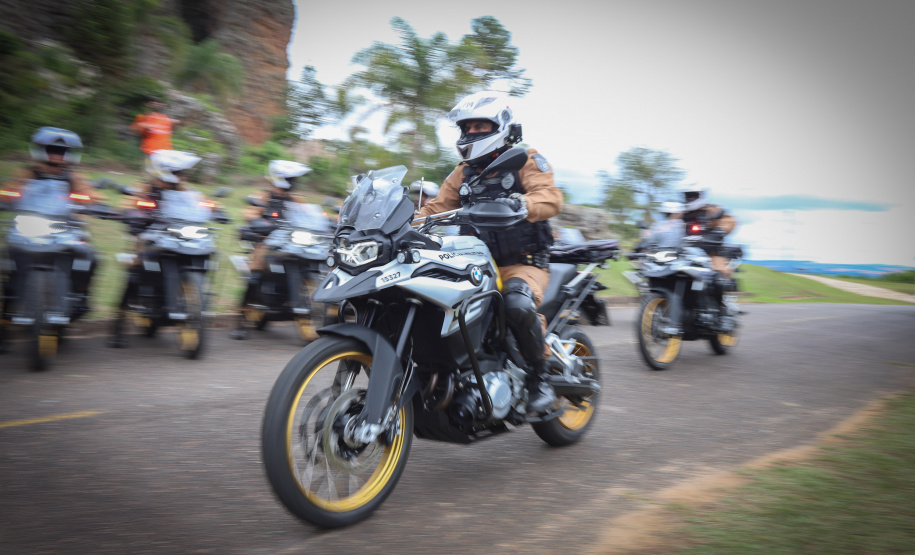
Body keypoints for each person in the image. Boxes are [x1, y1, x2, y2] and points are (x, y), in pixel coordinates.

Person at [419, 91, 562, 413]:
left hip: (522, 263)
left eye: (481, 126)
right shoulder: (463, 172)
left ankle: (540, 376)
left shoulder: (527, 160)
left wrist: (523, 203)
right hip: (476, 263)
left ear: (502, 127)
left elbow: (551, 198)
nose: (472, 133)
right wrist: (396, 223)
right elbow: (435, 208)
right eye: (467, 127)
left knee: (515, 303)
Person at [108, 149, 214, 347]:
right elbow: (128, 205)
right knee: (135, 270)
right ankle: (118, 325)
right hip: (153, 238)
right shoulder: (146, 188)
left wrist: (215, 209)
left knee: (208, 255)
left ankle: (195, 302)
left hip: (183, 239)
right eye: (177, 172)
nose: (181, 177)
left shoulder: (189, 193)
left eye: (183, 173)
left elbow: (204, 206)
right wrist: (132, 212)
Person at [1, 127, 104, 328]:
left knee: (90, 256)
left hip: (64, 228)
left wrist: (94, 202)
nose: (57, 155)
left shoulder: (73, 177)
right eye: (52, 149)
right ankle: (5, 316)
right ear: (42, 150)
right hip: (28, 226)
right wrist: (7, 197)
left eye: (61, 151)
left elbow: (92, 196)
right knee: (9, 262)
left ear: (69, 154)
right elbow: (9, 191)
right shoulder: (27, 173)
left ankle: (81, 296)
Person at [230, 160, 311, 340]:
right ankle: (241, 321)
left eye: (294, 178)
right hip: (267, 244)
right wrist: (256, 220)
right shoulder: (264, 196)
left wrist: (326, 222)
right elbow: (250, 213)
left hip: (293, 245)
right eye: (290, 178)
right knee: (254, 277)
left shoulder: (297, 199)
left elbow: (312, 215)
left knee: (313, 266)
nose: (293, 182)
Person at [674, 185, 739, 317]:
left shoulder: (711, 210)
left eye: (693, 195)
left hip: (710, 254)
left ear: (700, 196)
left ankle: (724, 308)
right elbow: (667, 227)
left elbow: (729, 221)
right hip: (685, 254)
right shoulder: (681, 214)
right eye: (687, 195)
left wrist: (719, 231)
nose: (690, 198)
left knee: (718, 278)